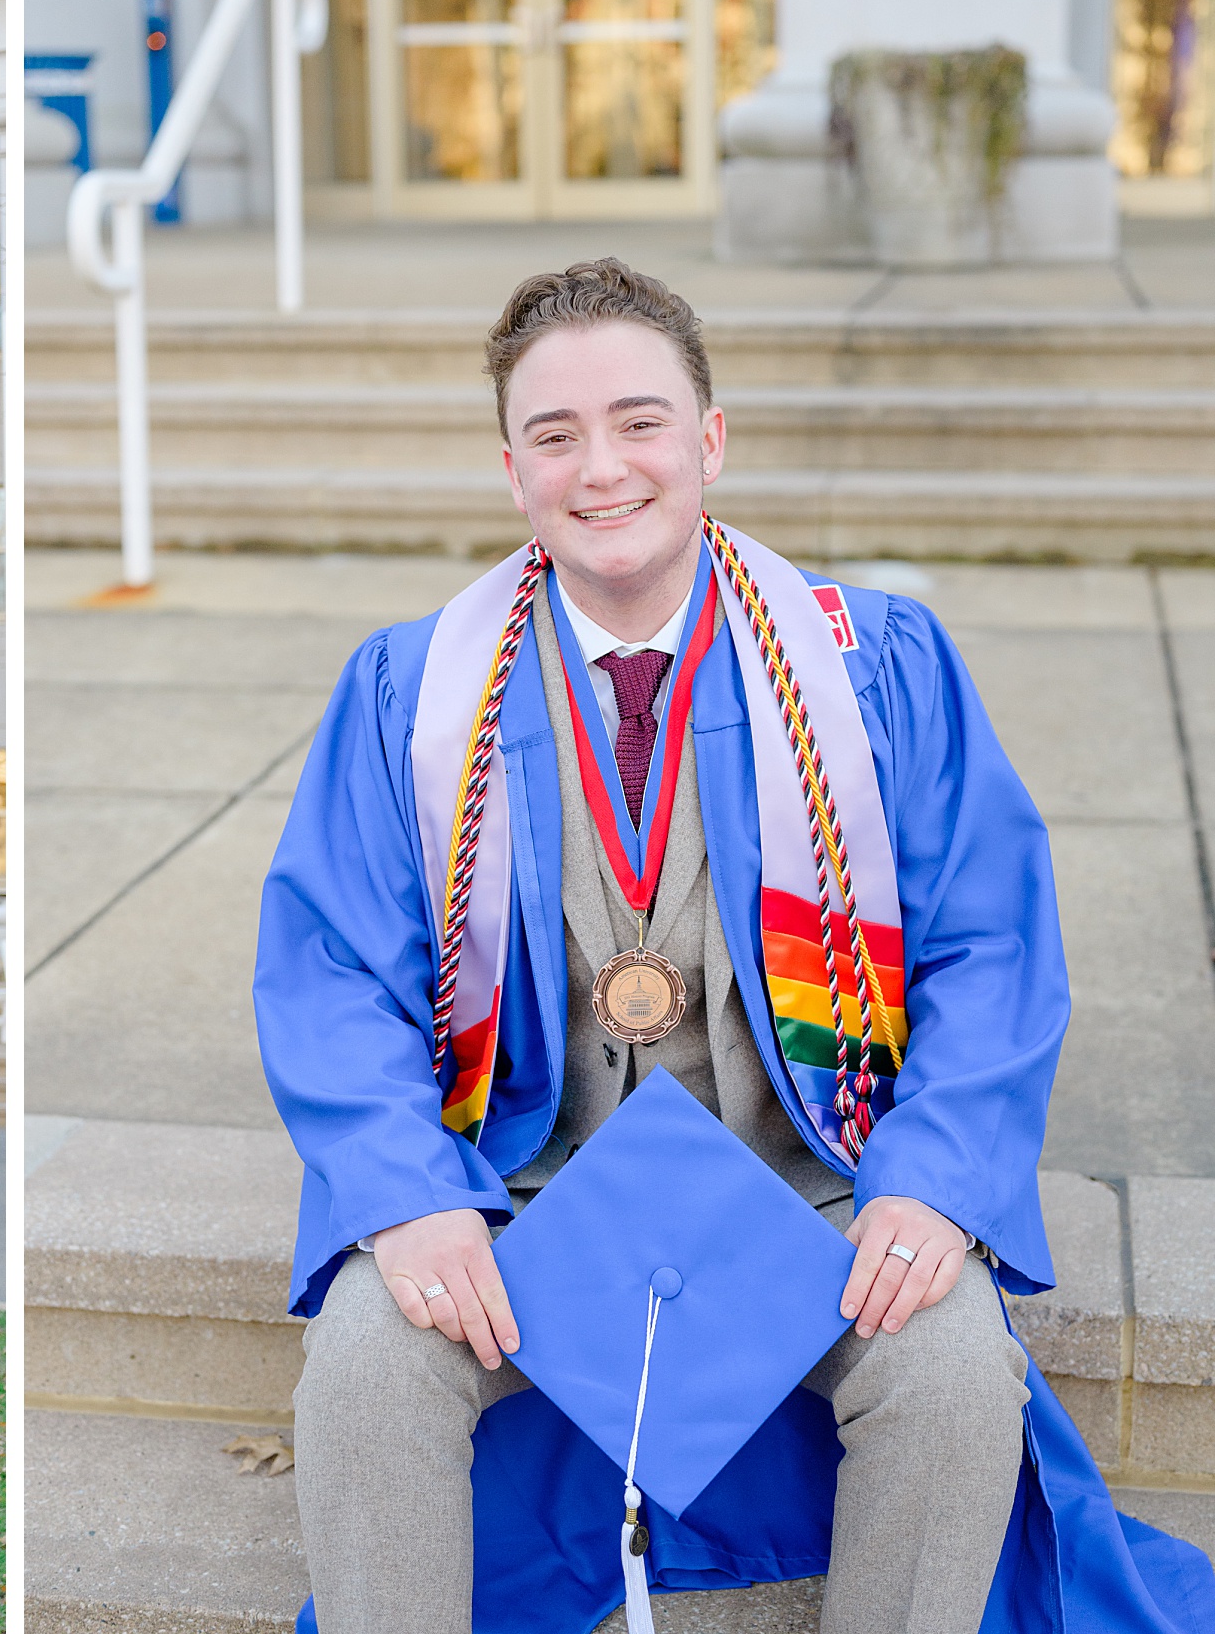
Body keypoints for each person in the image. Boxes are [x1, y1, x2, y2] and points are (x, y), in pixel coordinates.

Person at [254, 259, 1213, 1633]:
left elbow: (991, 949)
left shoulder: (873, 663)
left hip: (804, 1171)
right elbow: (334, 972)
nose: (604, 469)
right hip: (521, 1180)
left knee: (946, 1369)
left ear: (710, 439)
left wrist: (934, 1182)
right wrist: (408, 1192)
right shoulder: (414, 693)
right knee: (363, 1359)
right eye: (557, 434)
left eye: (641, 423)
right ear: (512, 468)